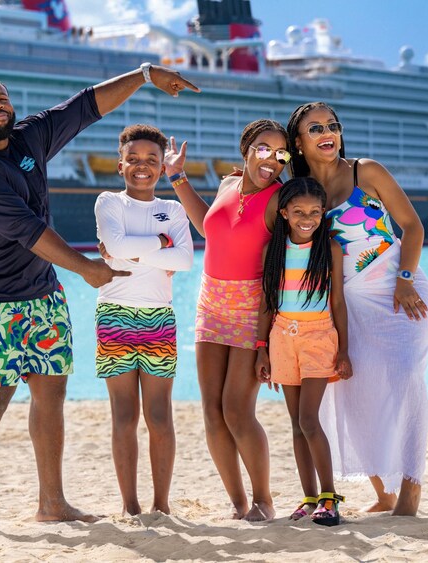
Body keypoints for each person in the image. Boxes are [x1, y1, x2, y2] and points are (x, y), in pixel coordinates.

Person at [0, 65, 199, 537]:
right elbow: (26, 229)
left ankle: (52, 503)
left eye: (2, 98)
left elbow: (84, 106)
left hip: (42, 291)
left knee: (51, 391)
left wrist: (142, 75)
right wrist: (87, 268)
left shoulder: (27, 138)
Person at [286, 102, 428, 516]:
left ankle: (410, 489)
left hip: (398, 287)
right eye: (314, 128)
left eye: (331, 124)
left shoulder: (364, 171)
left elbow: (413, 226)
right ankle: (381, 493)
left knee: (406, 379)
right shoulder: (300, 191)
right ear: (298, 143)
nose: (326, 131)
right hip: (348, 302)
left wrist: (405, 279)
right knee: (354, 393)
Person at [165, 119, 289, 521]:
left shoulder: (278, 198)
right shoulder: (227, 185)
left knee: (237, 410)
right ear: (246, 148)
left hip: (252, 308)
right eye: (264, 148)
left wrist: (265, 339)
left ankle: (264, 500)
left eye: (281, 153)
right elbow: (208, 228)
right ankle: (238, 504)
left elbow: (279, 269)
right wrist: (178, 177)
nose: (272, 159)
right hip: (211, 304)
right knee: (212, 411)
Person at [94, 124, 194, 516]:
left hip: (159, 317)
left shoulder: (172, 209)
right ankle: (130, 505)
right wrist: (161, 244)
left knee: (158, 415)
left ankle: (161, 504)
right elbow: (114, 247)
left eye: (152, 160)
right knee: (123, 415)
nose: (142, 166)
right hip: (114, 315)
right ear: (120, 165)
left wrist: (131, 254)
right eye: (133, 159)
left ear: (160, 167)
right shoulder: (109, 202)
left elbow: (185, 260)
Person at [254, 178, 353, 526]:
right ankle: (309, 498)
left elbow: (338, 302)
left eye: (314, 211)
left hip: (318, 337)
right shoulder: (273, 251)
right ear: (284, 213)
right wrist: (261, 349)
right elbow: (267, 303)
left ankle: (329, 498)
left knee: (309, 419)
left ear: (323, 211)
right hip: (282, 336)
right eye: (298, 212)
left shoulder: (331, 249)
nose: (306, 217)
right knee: (296, 424)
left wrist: (344, 350)